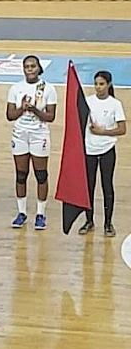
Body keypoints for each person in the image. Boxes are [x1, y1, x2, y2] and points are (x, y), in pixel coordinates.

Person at [6, 55, 57, 230]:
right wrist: (22, 108)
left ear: (38, 68)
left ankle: (41, 214)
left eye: (33, 66)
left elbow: (50, 116)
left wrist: (34, 109)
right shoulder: (16, 88)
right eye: (26, 66)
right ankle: (21, 213)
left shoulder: (48, 88)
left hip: (39, 135)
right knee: (21, 174)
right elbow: (10, 115)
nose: (29, 69)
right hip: (20, 135)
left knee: (41, 175)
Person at [79, 70, 125, 237]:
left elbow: (122, 129)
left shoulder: (115, 104)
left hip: (107, 151)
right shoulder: (88, 102)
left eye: (101, 84)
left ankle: (108, 223)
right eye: (96, 84)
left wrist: (102, 132)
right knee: (89, 187)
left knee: (107, 187)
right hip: (89, 150)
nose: (98, 87)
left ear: (109, 85)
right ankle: (89, 221)